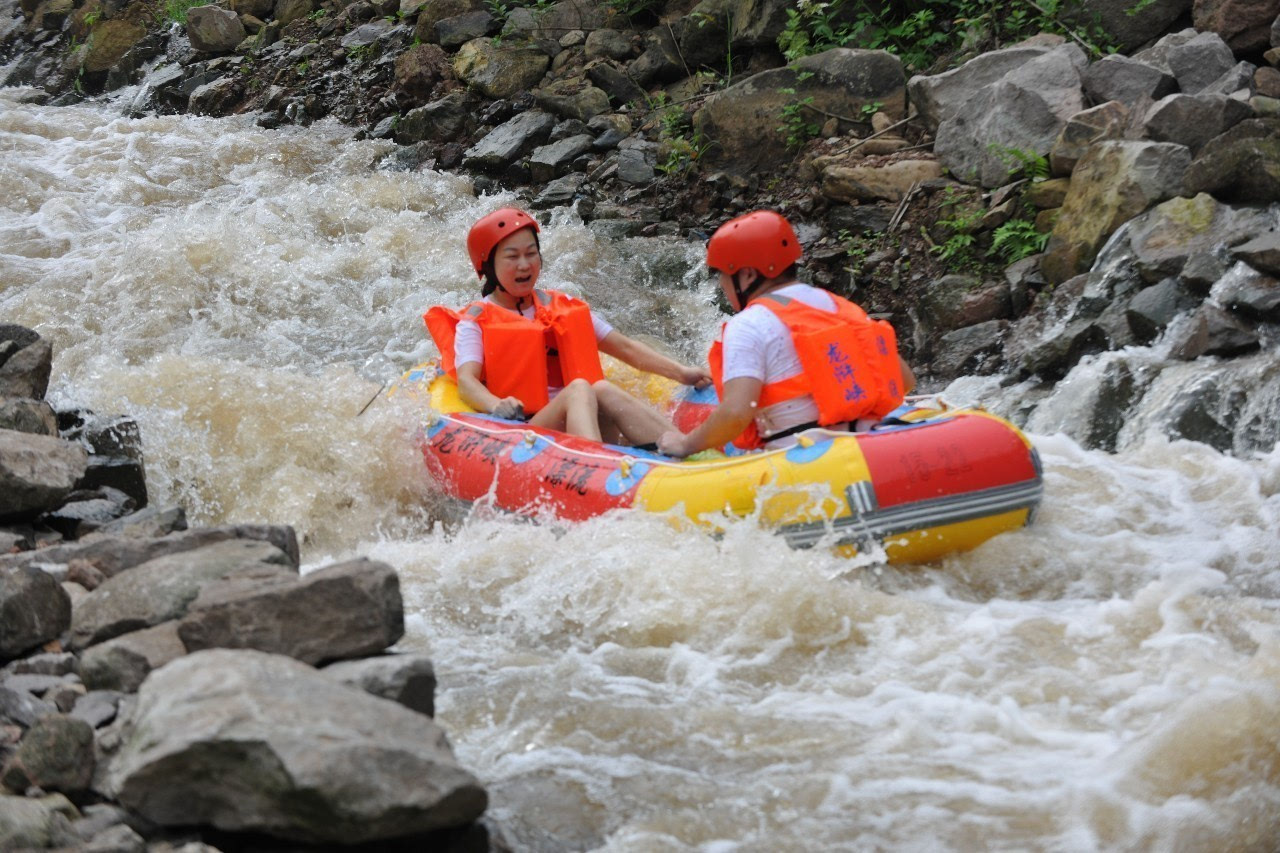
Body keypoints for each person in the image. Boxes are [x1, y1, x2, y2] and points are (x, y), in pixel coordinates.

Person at [425, 207, 710, 445]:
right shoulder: (476, 320)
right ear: (488, 267)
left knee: (600, 388)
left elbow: (625, 348)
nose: (524, 265)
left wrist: (681, 372)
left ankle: (685, 449)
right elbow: (466, 382)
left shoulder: (560, 305)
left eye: (531, 253)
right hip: (529, 433)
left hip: (582, 424)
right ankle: (596, 465)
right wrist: (496, 405)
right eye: (512, 257)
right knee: (580, 389)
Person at [657, 210, 916, 458]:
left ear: (747, 274)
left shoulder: (748, 324)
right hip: (877, 445)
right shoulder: (839, 305)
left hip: (803, 459)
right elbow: (904, 381)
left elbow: (736, 413)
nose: (722, 285)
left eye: (723, 275)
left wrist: (685, 444)